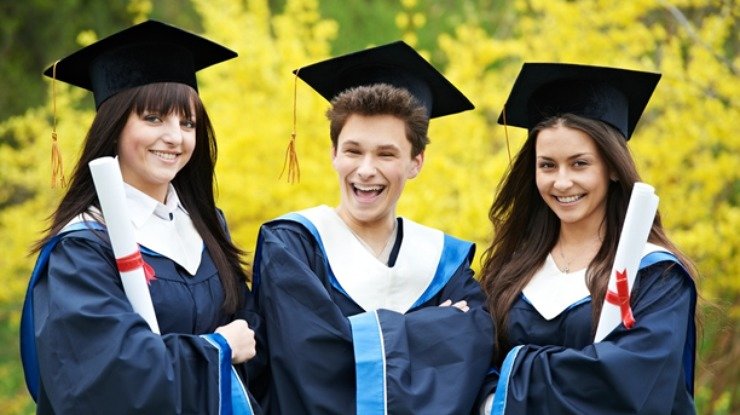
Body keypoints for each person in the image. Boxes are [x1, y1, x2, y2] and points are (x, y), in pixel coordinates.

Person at [19, 20, 261, 414]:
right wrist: (218, 349)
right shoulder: (83, 246)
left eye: (187, 123)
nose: (175, 137)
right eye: (153, 119)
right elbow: (103, 374)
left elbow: (248, 329)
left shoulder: (206, 225)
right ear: (114, 126)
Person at [248, 41, 494, 414]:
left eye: (386, 154)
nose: (366, 170)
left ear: (416, 162)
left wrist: (357, 339)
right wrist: (431, 330)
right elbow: (308, 364)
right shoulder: (291, 248)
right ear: (333, 154)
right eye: (353, 151)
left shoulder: (446, 264)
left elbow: (470, 362)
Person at [477, 63, 698, 414]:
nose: (562, 182)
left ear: (612, 168)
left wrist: (508, 381)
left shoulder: (655, 275)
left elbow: (628, 383)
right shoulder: (510, 269)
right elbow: (472, 364)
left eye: (579, 163)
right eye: (547, 165)